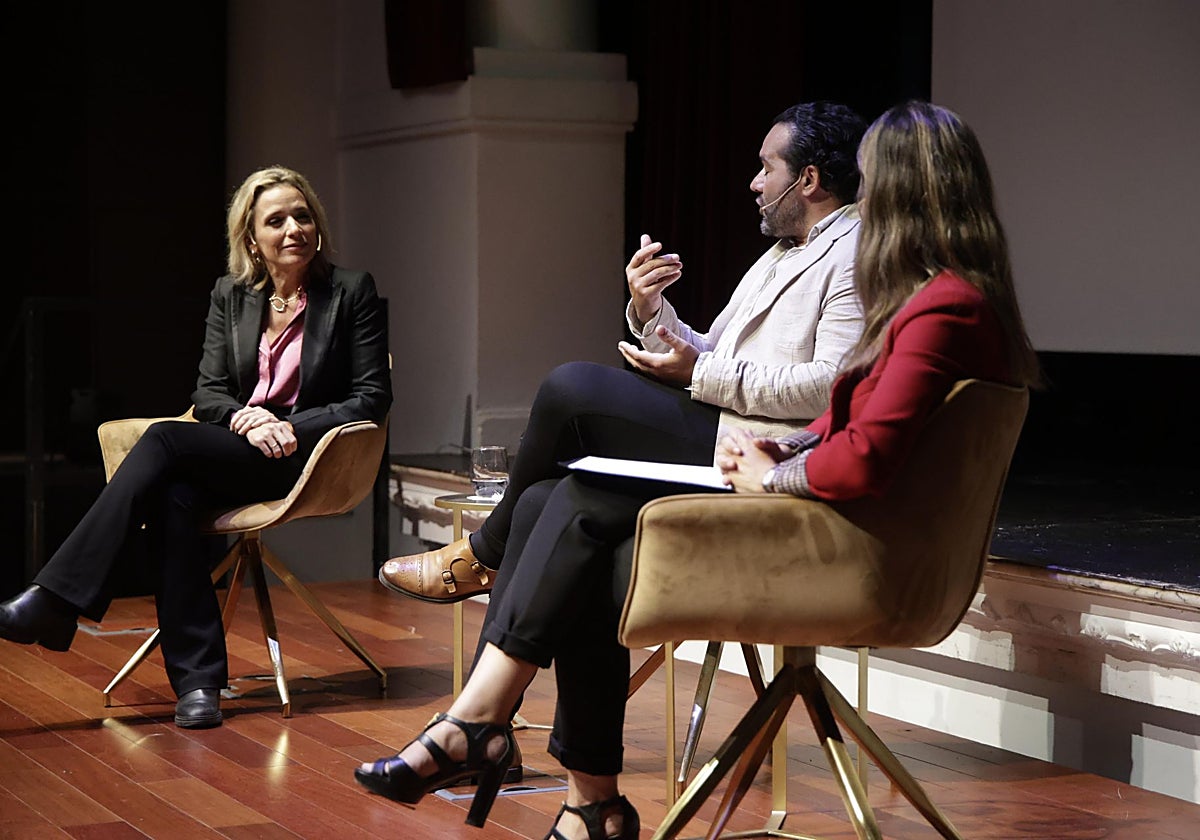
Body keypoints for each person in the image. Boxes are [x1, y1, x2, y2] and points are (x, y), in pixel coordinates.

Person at [353, 100, 1040, 838]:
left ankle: (492, 727)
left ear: (900, 192)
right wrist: (679, 343)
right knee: (564, 509)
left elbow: (862, 448)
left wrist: (768, 468)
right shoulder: (933, 299)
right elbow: (844, 422)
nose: (861, 201)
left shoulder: (940, 307)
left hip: (849, 547)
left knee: (573, 421)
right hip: (804, 489)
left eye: (871, 183)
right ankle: (584, 801)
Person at [378, 100, 867, 605]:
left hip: (760, 452)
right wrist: (652, 311)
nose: (755, 182)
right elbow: (711, 351)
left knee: (571, 388)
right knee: (548, 502)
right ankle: (505, 681)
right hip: (722, 420)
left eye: (767, 168)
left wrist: (700, 373)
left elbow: (832, 385)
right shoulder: (783, 252)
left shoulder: (853, 252)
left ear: (808, 180)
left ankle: (484, 553)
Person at [0, 166, 392, 729]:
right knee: (172, 495)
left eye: (302, 216)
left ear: (318, 225)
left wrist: (289, 428)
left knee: (165, 442)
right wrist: (245, 421)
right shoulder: (230, 295)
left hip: (307, 456)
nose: (293, 229)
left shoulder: (351, 291)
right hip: (241, 445)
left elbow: (372, 396)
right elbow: (208, 392)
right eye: (275, 220)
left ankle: (57, 602)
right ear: (251, 239)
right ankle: (199, 686)